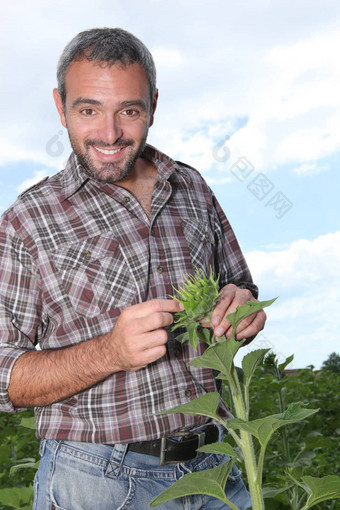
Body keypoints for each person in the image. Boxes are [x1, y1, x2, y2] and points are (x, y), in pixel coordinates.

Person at [0, 28, 266, 509]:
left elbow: (239, 285)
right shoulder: (28, 221)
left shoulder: (192, 188)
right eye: (88, 110)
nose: (109, 133)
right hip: (97, 482)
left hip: (219, 467)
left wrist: (241, 307)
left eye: (129, 110)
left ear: (154, 105)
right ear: (60, 108)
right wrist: (110, 353)